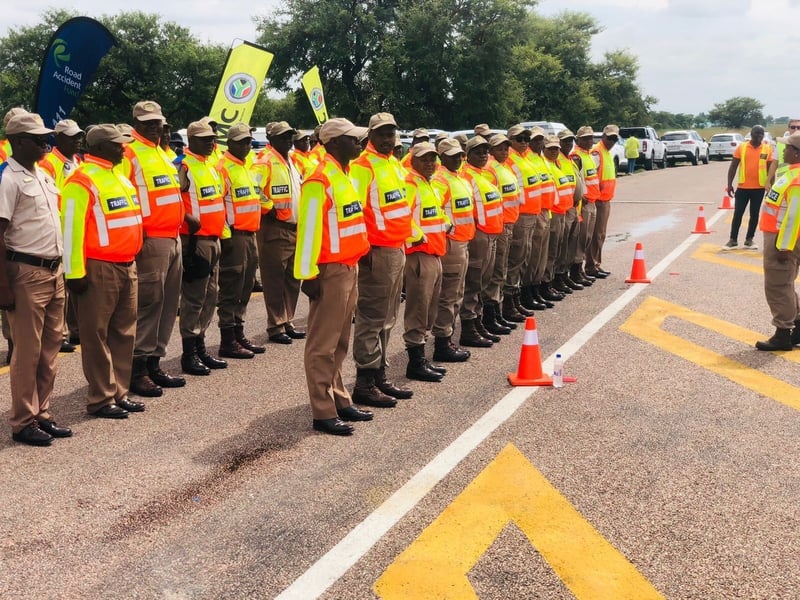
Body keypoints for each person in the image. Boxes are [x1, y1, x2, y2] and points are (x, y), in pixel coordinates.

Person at [294, 117, 372, 436]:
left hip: (348, 266)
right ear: (335, 142)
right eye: (353, 139)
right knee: (322, 345)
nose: (359, 144)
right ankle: (322, 411)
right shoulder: (320, 179)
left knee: (340, 341)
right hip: (328, 270)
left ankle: (340, 399)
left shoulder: (345, 174)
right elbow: (308, 230)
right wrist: (307, 273)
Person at [62, 123, 145, 420]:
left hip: (126, 265)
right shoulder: (80, 180)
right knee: (96, 334)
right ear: (97, 147)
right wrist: (74, 273)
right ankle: (100, 397)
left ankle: (119, 392)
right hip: (99, 268)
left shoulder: (119, 177)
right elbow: (70, 230)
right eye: (117, 144)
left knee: (124, 332)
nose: (123, 148)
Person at [0, 112, 70, 445]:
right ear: (17, 141)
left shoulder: (42, 174)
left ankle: (42, 412)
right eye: (37, 138)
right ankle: (22, 420)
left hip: (53, 271)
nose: (45, 142)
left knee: (49, 349)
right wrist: (3, 285)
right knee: (27, 352)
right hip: (25, 272)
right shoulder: (7, 178)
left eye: (45, 136)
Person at [122, 100, 196, 397]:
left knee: (167, 304)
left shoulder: (162, 154)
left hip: (173, 235)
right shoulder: (130, 153)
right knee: (149, 304)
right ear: (136, 124)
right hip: (151, 239)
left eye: (159, 123)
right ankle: (136, 368)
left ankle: (154, 361)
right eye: (148, 123)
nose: (155, 127)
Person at [350, 112, 418, 408]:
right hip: (376, 251)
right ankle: (364, 381)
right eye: (382, 134)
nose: (389, 139)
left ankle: (378, 374)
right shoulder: (363, 166)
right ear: (370, 136)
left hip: (397, 248)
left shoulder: (393, 164)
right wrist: (362, 249)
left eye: (392, 133)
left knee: (389, 317)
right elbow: (354, 211)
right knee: (372, 317)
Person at [177, 119, 228, 375]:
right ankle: (189, 353)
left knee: (211, 295)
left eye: (212, 138)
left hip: (214, 239)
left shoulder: (210, 165)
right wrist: (187, 220)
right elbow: (173, 199)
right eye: (205, 139)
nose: (211, 142)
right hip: (196, 242)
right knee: (194, 298)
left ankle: (200, 346)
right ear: (191, 139)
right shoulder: (184, 165)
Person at [252, 121, 305, 344]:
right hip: (275, 228)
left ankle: (288, 320)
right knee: (274, 279)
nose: (288, 140)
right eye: (283, 137)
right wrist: (268, 207)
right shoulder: (265, 161)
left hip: (294, 227)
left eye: (289, 136)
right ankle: (276, 325)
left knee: (293, 278)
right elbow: (253, 189)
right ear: (271, 139)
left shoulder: (292, 161)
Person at [216, 122, 266, 358]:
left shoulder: (247, 166)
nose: (248, 145)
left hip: (250, 234)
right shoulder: (223, 167)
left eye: (249, 141)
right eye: (243, 141)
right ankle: (227, 338)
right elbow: (217, 205)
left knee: (246, 286)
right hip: (234, 236)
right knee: (231, 286)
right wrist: (225, 237)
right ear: (231, 142)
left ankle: (239, 332)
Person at [402, 142, 449, 382]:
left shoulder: (428, 182)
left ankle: (422, 358)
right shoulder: (410, 183)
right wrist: (418, 236)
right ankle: (416, 362)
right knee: (418, 310)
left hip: (435, 252)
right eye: (424, 159)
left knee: (429, 309)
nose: (430, 163)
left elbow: (433, 213)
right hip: (420, 254)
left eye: (433, 159)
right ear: (412, 159)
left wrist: (445, 222)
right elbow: (403, 217)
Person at [39, 118, 85, 352]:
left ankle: (75, 331)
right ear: (57, 138)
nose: (77, 141)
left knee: (75, 280)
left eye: (79, 136)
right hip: (58, 230)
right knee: (62, 285)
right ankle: (61, 334)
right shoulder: (49, 164)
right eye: (72, 137)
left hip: (76, 230)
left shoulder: (77, 162)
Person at [754, 132, 800, 351]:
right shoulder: (790, 172)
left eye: (788, 147)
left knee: (778, 285)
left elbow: (794, 216)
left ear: (797, 153)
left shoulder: (797, 178)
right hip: (781, 236)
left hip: (782, 238)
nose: (784, 150)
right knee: (786, 283)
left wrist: (784, 246)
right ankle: (796, 327)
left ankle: (783, 334)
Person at [459, 135, 505, 346]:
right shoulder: (467, 176)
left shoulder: (484, 174)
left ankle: (478, 321)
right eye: (478, 152)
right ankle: (469, 326)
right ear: (467, 155)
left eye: (486, 151)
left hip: (491, 234)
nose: (484, 155)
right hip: (478, 235)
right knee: (474, 282)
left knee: (483, 281)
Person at [431, 138, 475, 359]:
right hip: (452, 243)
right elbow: (434, 211)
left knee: (457, 292)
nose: (458, 158)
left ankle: (448, 338)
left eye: (460, 155)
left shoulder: (459, 178)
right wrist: (447, 230)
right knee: (448, 295)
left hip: (463, 241)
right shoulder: (440, 181)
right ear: (442, 157)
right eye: (452, 155)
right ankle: (442, 342)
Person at [505, 124, 545, 313]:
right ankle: (510, 301)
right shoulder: (510, 160)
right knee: (516, 259)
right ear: (510, 140)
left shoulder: (526, 157)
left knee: (525, 258)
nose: (524, 143)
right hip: (520, 216)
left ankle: (517, 297)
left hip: (532, 214)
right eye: (519, 139)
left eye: (526, 139)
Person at [484, 134, 523, 326]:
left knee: (504, 268)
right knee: (497, 271)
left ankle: (499, 309)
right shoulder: (490, 170)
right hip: (499, 226)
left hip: (509, 223)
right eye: (499, 148)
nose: (504, 151)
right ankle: (492, 314)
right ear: (491, 150)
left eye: (506, 148)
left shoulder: (505, 166)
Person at [725, 125, 775, 250]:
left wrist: (771, 186)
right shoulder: (742, 147)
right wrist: (729, 184)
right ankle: (733, 239)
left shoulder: (767, 149)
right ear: (751, 134)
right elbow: (733, 167)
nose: (758, 137)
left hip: (759, 188)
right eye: (756, 134)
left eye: (761, 134)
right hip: (743, 187)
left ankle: (749, 239)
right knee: (738, 213)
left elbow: (771, 170)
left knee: (754, 214)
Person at [586, 125, 618, 278]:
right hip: (598, 200)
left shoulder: (606, 152)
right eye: (609, 138)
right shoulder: (597, 152)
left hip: (605, 199)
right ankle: (591, 266)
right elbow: (589, 177)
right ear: (603, 136)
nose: (612, 141)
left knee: (601, 234)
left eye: (615, 139)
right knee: (596, 235)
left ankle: (596, 264)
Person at [570, 126, 601, 284]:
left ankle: (580, 269)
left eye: (591, 138)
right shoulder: (576, 156)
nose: (589, 141)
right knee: (581, 238)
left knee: (588, 237)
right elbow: (578, 181)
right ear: (578, 139)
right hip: (585, 203)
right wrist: (583, 198)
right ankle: (575, 271)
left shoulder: (589, 155)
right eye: (586, 138)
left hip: (593, 201)